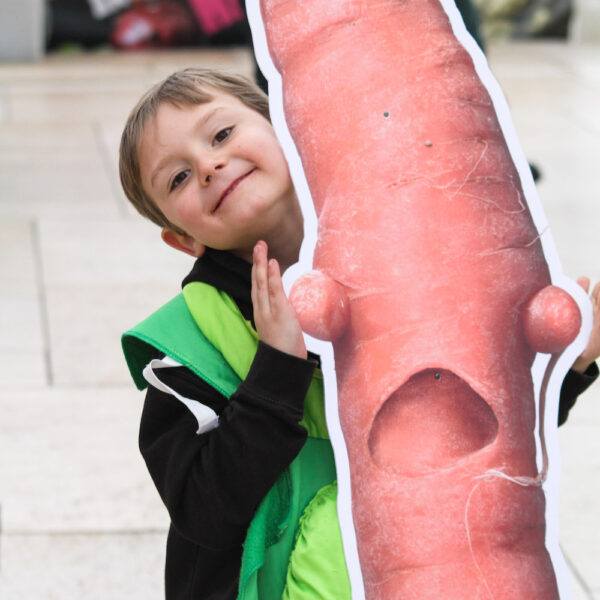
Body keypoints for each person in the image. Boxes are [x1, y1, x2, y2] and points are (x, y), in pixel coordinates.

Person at [119, 68, 599, 600]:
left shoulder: (400, 265)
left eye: (222, 135)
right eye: (178, 178)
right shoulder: (186, 351)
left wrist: (572, 367)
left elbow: (474, 437)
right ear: (182, 239)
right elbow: (205, 511)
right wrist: (275, 370)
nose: (208, 166)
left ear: (287, 128)